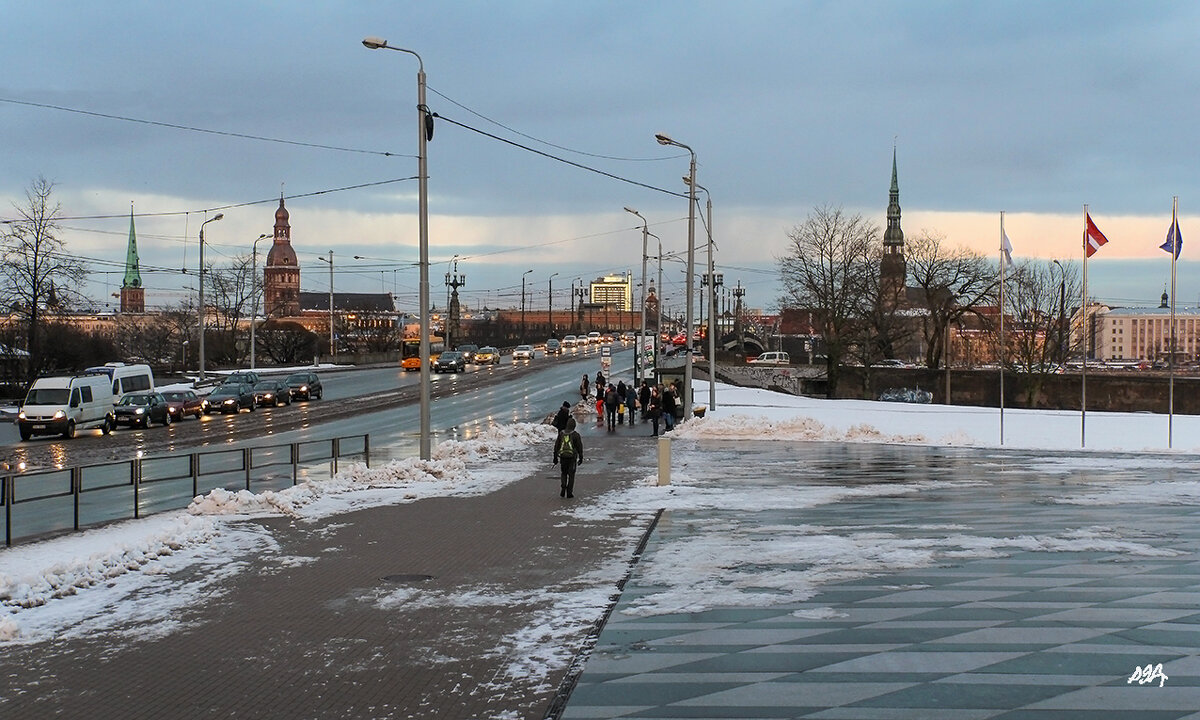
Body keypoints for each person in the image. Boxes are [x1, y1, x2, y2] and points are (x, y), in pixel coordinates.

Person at [552, 417, 584, 498]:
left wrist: (555, 457)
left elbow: (557, 446)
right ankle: (569, 492)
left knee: (563, 473)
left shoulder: (561, 434)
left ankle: (563, 486)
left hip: (563, 457)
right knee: (571, 475)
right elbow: (579, 447)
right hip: (572, 458)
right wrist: (581, 457)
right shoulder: (576, 435)